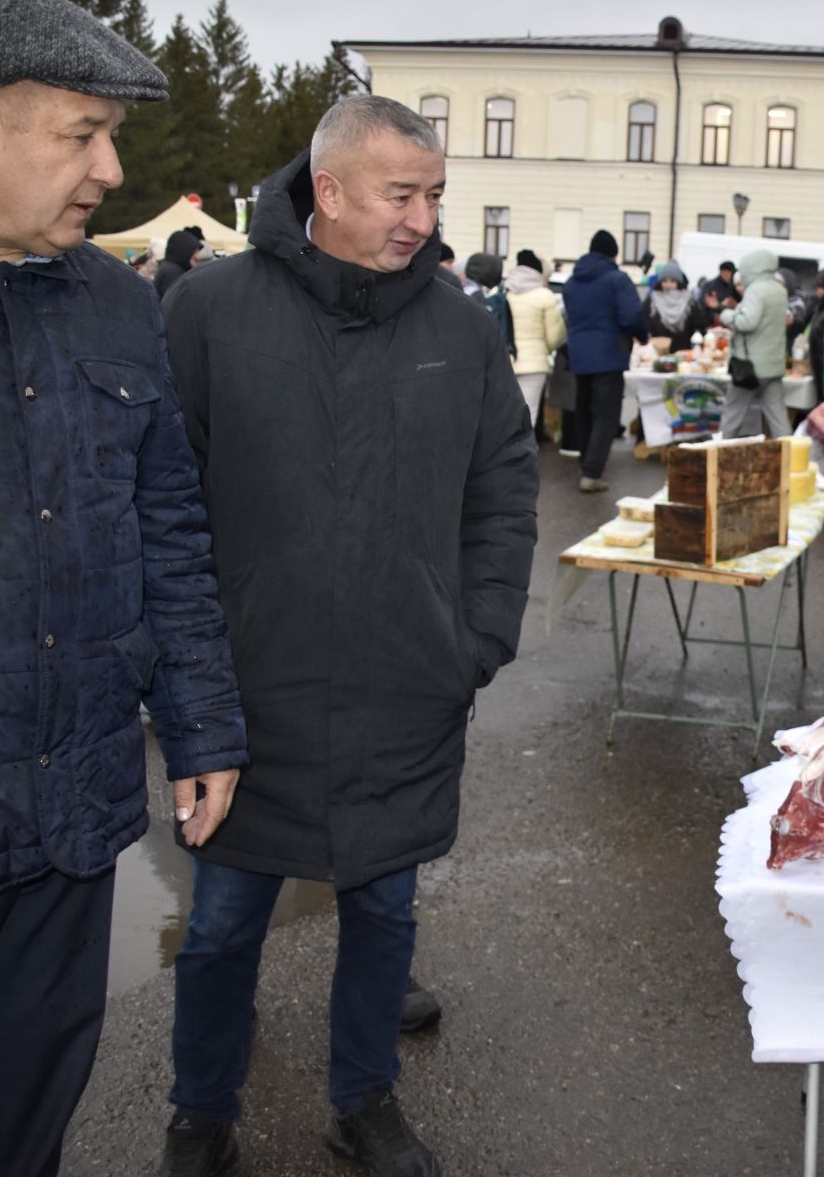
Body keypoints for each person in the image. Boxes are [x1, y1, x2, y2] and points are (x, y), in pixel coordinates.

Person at [0, 0, 247, 1177]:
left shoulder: (111, 302)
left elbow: (170, 529)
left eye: (112, 137)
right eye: (81, 133)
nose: (106, 168)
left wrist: (201, 726)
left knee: (20, 1137)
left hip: (69, 819)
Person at [155, 95, 538, 1177]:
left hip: (404, 687)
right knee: (224, 925)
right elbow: (161, 501)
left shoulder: (461, 327)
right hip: (246, 700)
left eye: (435, 196)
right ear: (328, 191)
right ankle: (199, 1110)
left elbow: (504, 488)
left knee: (384, 915)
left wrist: (475, 637)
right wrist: (182, 681)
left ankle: (364, 1099)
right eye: (400, 194)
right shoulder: (210, 310)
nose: (422, 218)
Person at [561, 229, 645, 492]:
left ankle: (587, 463)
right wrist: (643, 335)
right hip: (609, 355)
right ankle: (591, 473)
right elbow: (631, 316)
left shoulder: (572, 282)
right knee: (605, 416)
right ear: (613, 253)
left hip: (579, 355)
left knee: (584, 412)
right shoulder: (616, 280)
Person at [719, 248, 791, 439]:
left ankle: (720, 454)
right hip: (773, 365)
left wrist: (727, 315)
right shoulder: (779, 289)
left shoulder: (755, 290)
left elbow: (747, 322)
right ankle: (791, 458)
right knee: (778, 417)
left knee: (732, 415)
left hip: (750, 367)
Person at [505, 248, 565, 435]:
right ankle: (523, 459)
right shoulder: (544, 295)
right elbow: (555, 335)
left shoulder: (505, 291)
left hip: (505, 360)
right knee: (528, 415)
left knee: (506, 413)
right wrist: (544, 350)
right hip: (534, 364)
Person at [643, 258, 703, 350]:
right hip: (657, 351)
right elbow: (643, 321)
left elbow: (698, 323)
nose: (668, 285)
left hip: (683, 351)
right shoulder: (652, 300)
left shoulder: (689, 300)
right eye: (665, 281)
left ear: (678, 282)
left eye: (672, 281)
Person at [156, 226, 204, 299]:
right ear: (184, 251)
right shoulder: (172, 272)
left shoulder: (171, 268)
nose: (197, 256)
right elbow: (177, 301)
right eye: (194, 252)